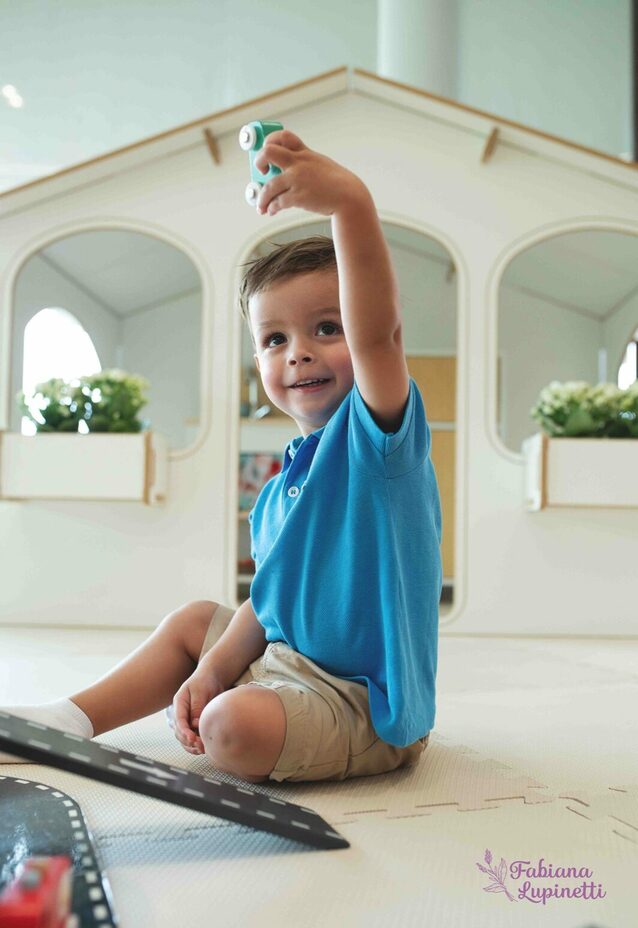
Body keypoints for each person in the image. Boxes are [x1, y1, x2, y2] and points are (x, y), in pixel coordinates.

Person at [2, 130, 442, 784]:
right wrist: (209, 669)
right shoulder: (280, 490)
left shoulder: (379, 439)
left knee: (230, 727)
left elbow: (379, 335)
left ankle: (243, 709)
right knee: (193, 625)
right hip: (283, 664)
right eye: (274, 338)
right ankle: (71, 718)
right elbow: (265, 607)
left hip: (361, 704)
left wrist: (349, 203)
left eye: (327, 328)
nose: (299, 351)